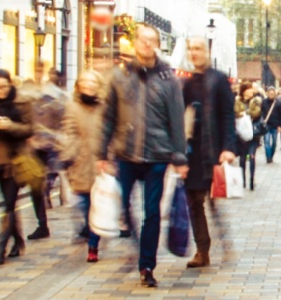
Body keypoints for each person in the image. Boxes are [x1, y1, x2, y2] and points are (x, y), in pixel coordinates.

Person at [97, 24, 188, 288]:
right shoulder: (120, 75)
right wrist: (101, 153)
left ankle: (146, 264)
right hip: (126, 153)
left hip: (158, 156)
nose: (147, 45)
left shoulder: (168, 78)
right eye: (143, 40)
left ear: (157, 44)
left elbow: (177, 120)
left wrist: (179, 157)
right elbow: (108, 117)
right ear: (135, 43)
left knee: (152, 212)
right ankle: (135, 242)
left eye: (152, 40)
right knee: (121, 205)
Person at [181, 37, 238, 268]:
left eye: (198, 48)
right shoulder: (186, 82)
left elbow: (227, 115)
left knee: (215, 200)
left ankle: (225, 241)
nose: (194, 53)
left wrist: (228, 147)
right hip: (193, 152)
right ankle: (202, 250)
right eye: (191, 49)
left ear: (207, 51)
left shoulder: (219, 79)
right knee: (194, 202)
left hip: (213, 149)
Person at [0, 69, 44, 265]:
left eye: (3, 86)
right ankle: (18, 241)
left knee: (8, 204)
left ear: (10, 85)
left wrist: (9, 126)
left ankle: (0, 248)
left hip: (16, 161)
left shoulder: (23, 102)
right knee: (9, 204)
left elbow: (30, 128)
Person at [59, 69, 108, 263]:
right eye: (85, 82)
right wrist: (68, 156)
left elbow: (110, 133)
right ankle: (89, 231)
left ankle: (93, 246)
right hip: (80, 162)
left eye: (92, 83)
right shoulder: (72, 107)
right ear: (78, 86)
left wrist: (109, 156)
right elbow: (69, 132)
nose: (88, 86)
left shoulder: (105, 107)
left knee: (96, 206)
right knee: (84, 204)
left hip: (100, 163)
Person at [26, 63, 66, 240]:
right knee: (36, 187)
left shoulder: (59, 97)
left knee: (53, 178)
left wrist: (58, 138)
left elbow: (64, 121)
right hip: (35, 148)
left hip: (52, 148)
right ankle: (42, 224)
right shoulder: (31, 92)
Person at [236, 83, 263, 190]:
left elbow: (257, 113)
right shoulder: (237, 101)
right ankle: (242, 179)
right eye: (249, 89)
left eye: (252, 89)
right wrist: (245, 113)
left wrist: (245, 113)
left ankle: (252, 179)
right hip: (241, 133)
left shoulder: (256, 101)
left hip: (253, 134)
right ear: (244, 90)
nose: (252, 91)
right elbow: (235, 112)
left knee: (252, 156)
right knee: (242, 158)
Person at [261, 87, 281, 163]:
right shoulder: (264, 102)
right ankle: (268, 157)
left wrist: (280, 125)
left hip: (275, 125)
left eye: (273, 94)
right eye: (270, 94)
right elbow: (261, 113)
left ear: (275, 94)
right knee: (266, 141)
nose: (271, 95)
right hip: (266, 125)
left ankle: (271, 154)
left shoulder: (279, 103)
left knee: (274, 143)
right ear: (267, 93)